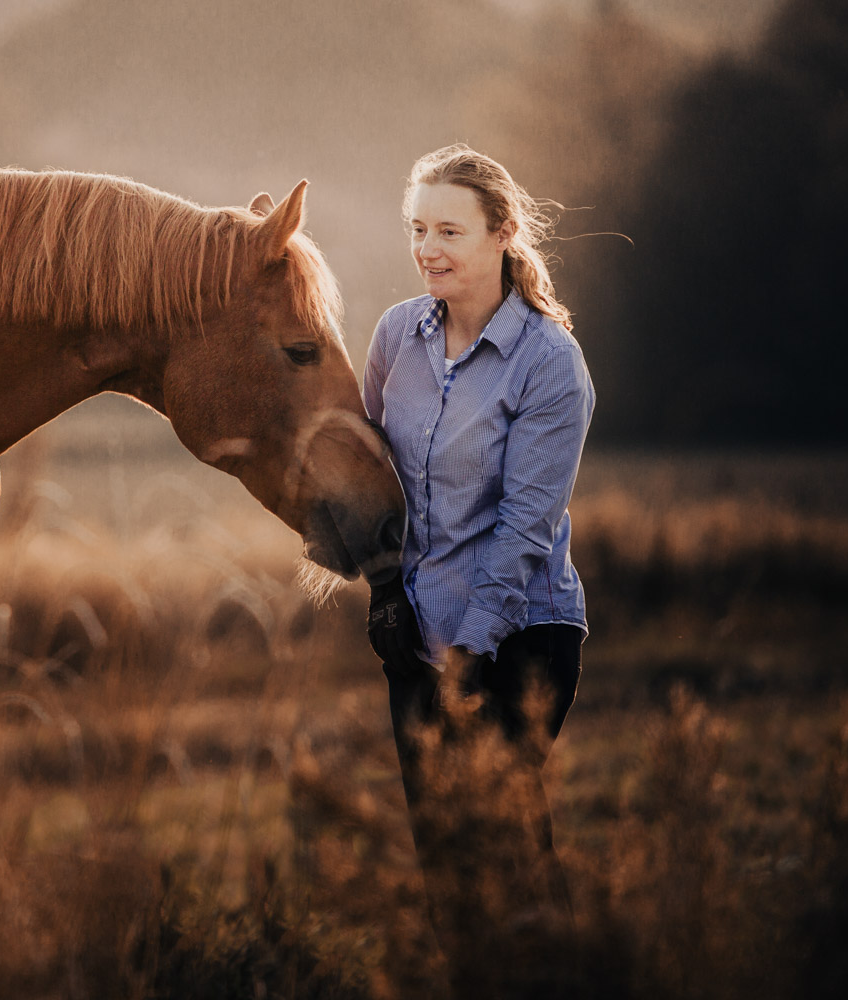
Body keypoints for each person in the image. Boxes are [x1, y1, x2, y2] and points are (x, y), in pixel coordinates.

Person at [362, 143, 594, 997]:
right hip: (415, 634)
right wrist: (385, 589)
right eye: (418, 228)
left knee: (507, 845)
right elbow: (367, 477)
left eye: (448, 230)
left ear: (502, 233)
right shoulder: (396, 335)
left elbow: (523, 532)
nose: (428, 248)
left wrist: (468, 656)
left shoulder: (547, 364)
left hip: (520, 635)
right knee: (443, 857)